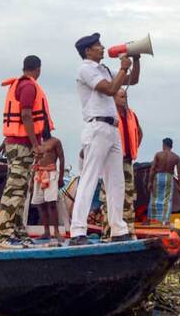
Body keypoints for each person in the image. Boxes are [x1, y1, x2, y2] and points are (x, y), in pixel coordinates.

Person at [70, 32, 140, 245]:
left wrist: (135, 61)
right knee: (90, 179)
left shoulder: (104, 69)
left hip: (111, 128)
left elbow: (132, 80)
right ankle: (77, 231)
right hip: (97, 127)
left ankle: (119, 228)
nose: (102, 48)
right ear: (88, 51)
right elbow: (110, 89)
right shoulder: (86, 69)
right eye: (98, 45)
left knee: (116, 181)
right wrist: (123, 67)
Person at [0, 55, 55, 245]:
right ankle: (4, 233)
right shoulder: (29, 86)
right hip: (22, 144)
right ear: (38, 69)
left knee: (21, 189)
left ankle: (17, 229)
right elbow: (26, 114)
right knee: (15, 188)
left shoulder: (20, 84)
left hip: (16, 144)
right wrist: (35, 144)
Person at [99, 88, 143, 238]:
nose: (124, 99)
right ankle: (107, 233)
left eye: (126, 96)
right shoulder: (109, 114)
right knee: (109, 198)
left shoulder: (131, 115)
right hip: (112, 161)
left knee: (128, 198)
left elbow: (139, 132)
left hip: (127, 161)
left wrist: (134, 148)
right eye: (121, 96)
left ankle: (129, 233)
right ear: (113, 98)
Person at [31, 134, 65, 241]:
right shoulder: (37, 143)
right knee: (41, 204)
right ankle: (46, 232)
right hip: (38, 173)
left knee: (52, 203)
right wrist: (32, 180)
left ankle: (56, 231)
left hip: (51, 173)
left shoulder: (56, 141)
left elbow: (62, 159)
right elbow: (35, 161)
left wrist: (61, 177)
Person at [147, 138, 180, 225]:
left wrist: (150, 182)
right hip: (169, 177)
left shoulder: (158, 155)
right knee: (167, 200)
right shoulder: (176, 157)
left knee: (154, 198)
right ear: (171, 146)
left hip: (158, 176)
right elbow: (179, 172)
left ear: (164, 145)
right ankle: (166, 221)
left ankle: (149, 220)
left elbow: (153, 169)